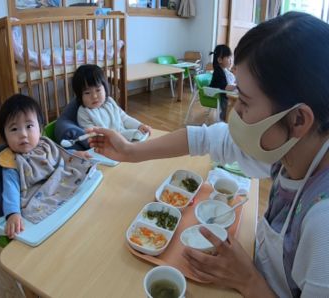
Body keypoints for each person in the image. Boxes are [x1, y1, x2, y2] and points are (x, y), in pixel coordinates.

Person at [87, 12, 329, 297]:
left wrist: (248, 280)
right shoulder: (291, 149)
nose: (236, 112)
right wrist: (130, 151)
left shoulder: (323, 225)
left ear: (298, 119)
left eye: (246, 104)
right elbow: (204, 138)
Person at [0, 94, 93, 239]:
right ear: (4, 137)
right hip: (42, 199)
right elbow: (10, 189)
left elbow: (60, 154)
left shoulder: (44, 144)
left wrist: (75, 154)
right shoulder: (11, 161)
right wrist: (13, 213)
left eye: (29, 126)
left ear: (40, 128)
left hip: (62, 182)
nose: (23, 134)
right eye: (14, 129)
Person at [74, 64, 151, 141]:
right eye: (87, 93)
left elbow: (124, 118)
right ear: (80, 96)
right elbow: (92, 134)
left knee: (142, 135)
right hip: (106, 143)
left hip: (123, 135)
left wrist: (139, 125)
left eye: (98, 90)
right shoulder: (83, 112)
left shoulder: (109, 102)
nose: (94, 96)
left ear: (105, 88)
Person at [209, 44, 236, 121]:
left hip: (221, 92)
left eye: (230, 57)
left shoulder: (224, 70)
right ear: (220, 60)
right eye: (228, 58)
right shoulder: (219, 72)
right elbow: (225, 87)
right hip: (215, 95)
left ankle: (229, 118)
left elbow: (230, 82)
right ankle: (224, 120)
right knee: (228, 102)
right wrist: (237, 86)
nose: (231, 60)